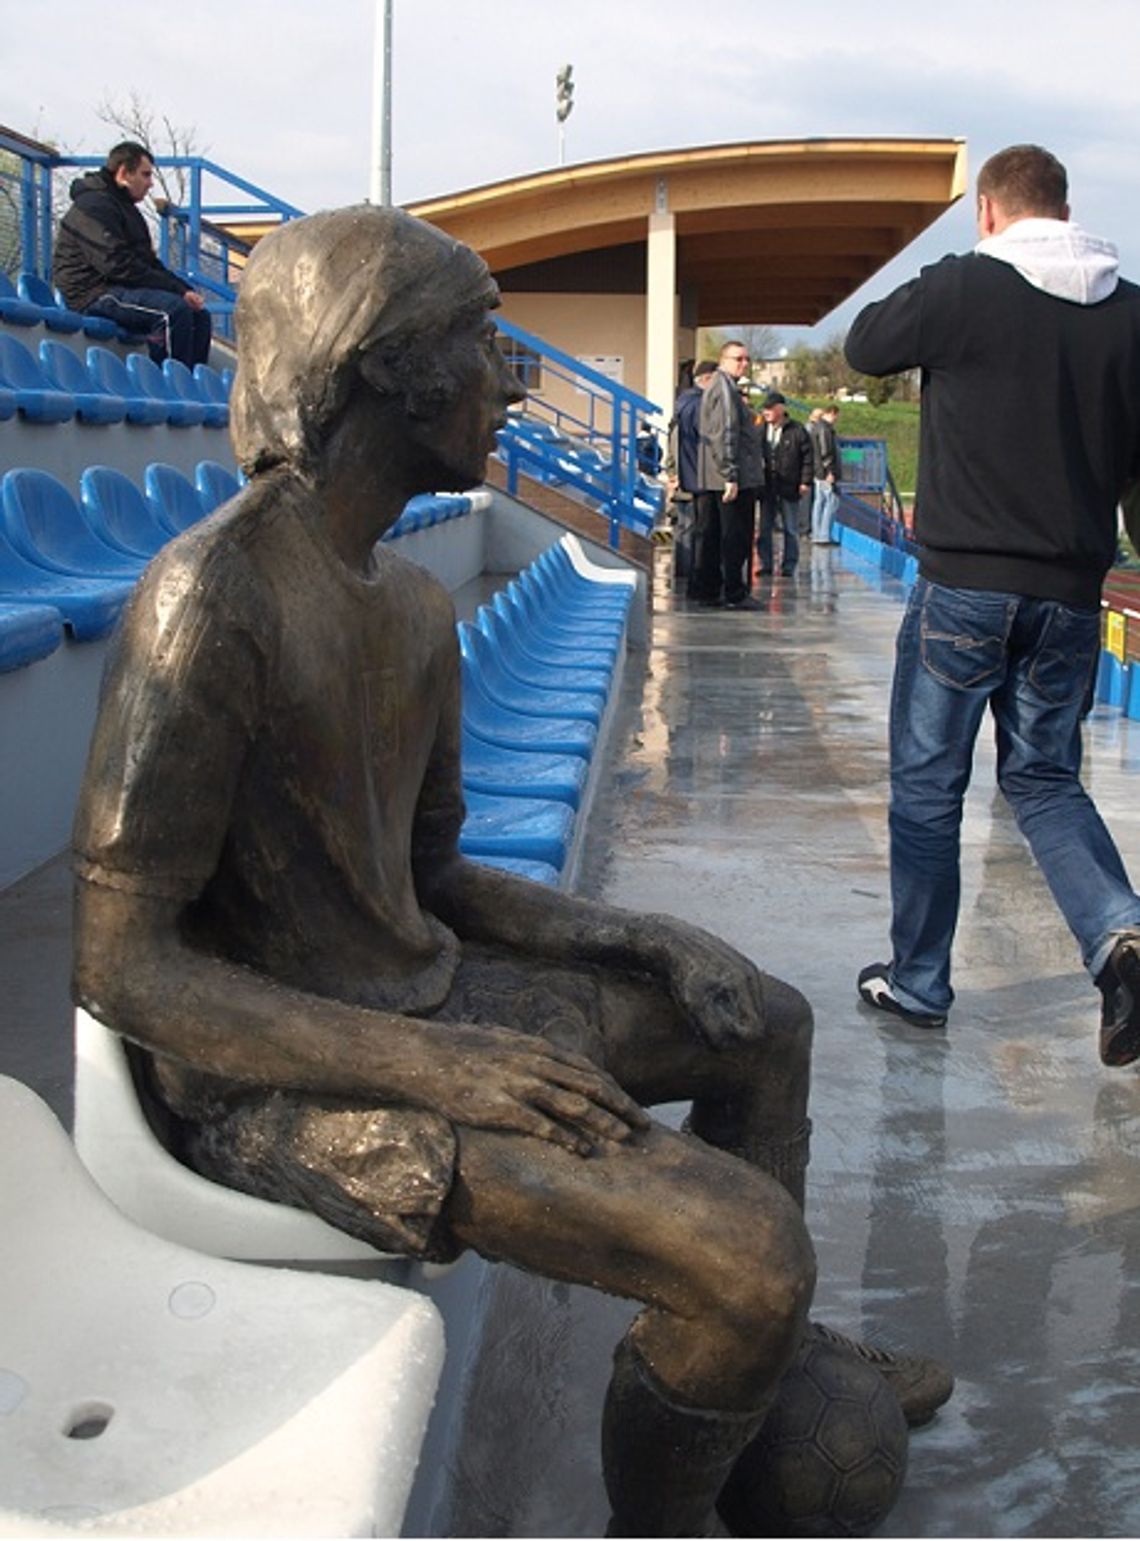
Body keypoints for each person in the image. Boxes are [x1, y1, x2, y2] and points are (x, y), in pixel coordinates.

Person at [71, 204, 947, 1535]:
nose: (511, 377)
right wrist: (439, 1067)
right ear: (382, 363)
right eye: (482, 342)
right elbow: (120, 963)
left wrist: (637, 935)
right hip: (279, 1086)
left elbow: (438, 879)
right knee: (746, 1256)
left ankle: (765, 1362)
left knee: (761, 1019)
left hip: (425, 1008)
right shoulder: (210, 600)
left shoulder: (409, 601)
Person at [844, 143, 1140, 1067]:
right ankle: (1120, 936)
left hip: (964, 587)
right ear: (1065, 207)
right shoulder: (1130, 311)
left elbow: (866, 342)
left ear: (989, 213)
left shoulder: (966, 287)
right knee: (1045, 779)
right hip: (1069, 595)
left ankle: (922, 982)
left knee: (930, 786)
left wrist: (952, 272)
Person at [52, 141, 212, 368]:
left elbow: (147, 263)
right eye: (145, 175)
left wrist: (183, 289)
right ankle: (169, 390)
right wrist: (176, 293)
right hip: (92, 292)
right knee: (171, 312)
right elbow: (116, 265)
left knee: (199, 315)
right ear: (124, 173)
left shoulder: (127, 210)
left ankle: (193, 390)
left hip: (118, 287)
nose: (150, 183)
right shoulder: (93, 206)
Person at [694, 340, 764, 609]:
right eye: (738, 359)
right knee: (734, 537)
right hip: (731, 477)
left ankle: (710, 590)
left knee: (714, 535)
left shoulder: (720, 388)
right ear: (723, 360)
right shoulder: (724, 390)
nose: (744, 364)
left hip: (717, 476)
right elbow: (725, 434)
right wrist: (731, 475)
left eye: (747, 359)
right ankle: (734, 592)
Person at [664, 358, 716, 595]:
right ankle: (686, 573)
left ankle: (685, 572)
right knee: (689, 529)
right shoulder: (693, 409)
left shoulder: (682, 410)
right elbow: (676, 452)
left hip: (687, 479)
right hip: (690, 480)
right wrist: (673, 474)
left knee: (688, 529)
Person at [758, 391, 813, 576]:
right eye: (764, 409)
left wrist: (805, 481)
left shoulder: (797, 431)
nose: (766, 413)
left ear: (781, 409)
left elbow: (807, 458)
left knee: (790, 528)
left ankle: (789, 565)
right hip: (766, 487)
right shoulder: (760, 429)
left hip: (789, 486)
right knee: (765, 528)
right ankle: (765, 564)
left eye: (770, 409)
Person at [809, 404, 841, 544]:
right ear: (832, 413)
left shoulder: (816, 427)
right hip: (825, 471)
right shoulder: (825, 429)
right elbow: (825, 452)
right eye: (837, 415)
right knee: (831, 502)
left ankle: (817, 533)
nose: (837, 419)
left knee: (819, 502)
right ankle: (824, 535)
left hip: (817, 471)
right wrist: (830, 471)